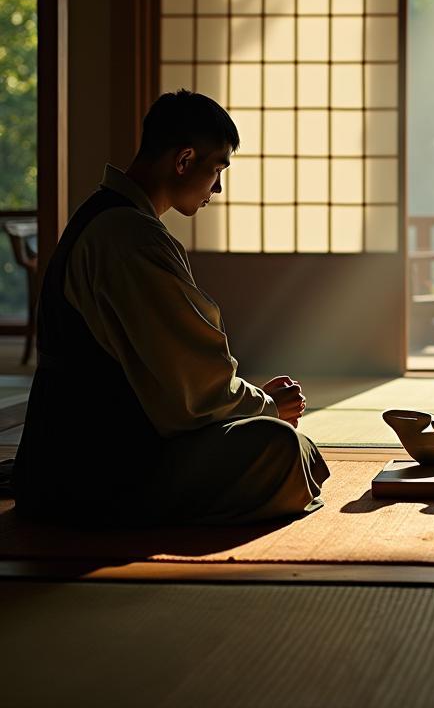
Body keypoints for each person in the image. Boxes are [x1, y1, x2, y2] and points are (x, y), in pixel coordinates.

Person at [14, 90, 330, 526]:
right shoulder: (128, 236)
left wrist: (257, 401)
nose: (217, 188)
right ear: (183, 161)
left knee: (277, 442)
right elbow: (191, 392)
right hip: (101, 465)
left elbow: (182, 374)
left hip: (86, 448)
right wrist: (267, 406)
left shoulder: (111, 219)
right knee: (279, 447)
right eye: (216, 169)